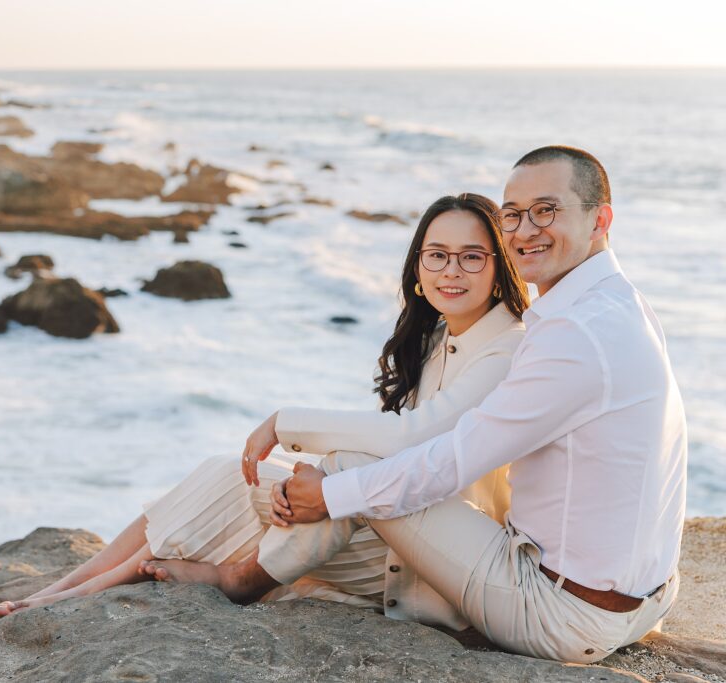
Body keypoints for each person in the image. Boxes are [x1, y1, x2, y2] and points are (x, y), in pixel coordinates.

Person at [140, 146, 687, 665]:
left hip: (561, 614)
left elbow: (452, 459)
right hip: (641, 599)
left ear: (600, 219)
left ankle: (239, 581)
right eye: (515, 215)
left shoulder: (573, 335)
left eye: (547, 211)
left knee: (357, 471)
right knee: (355, 474)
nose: (524, 230)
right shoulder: (619, 305)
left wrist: (330, 493)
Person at [0, 192, 530, 627]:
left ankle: (74, 597)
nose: (451, 270)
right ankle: (65, 588)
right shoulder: (441, 335)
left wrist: (285, 424)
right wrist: (312, 482)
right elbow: (389, 447)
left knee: (235, 501)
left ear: (498, 264)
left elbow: (415, 435)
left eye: (471, 256)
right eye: (436, 254)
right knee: (227, 475)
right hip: (387, 518)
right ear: (418, 265)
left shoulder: (507, 347)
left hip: (432, 560)